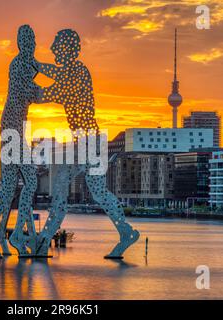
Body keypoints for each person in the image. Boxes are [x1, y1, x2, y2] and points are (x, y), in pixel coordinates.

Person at [35, 29, 140, 259]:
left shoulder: (77, 72)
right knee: (99, 193)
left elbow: (45, 93)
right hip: (90, 141)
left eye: (56, 45)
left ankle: (44, 240)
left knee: (63, 183)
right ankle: (126, 232)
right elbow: (55, 74)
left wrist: (31, 69)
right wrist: (36, 66)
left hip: (88, 142)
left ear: (67, 49)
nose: (52, 49)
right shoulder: (73, 72)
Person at [0, 25, 42, 259]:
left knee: (13, 187)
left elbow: (43, 76)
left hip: (15, 131)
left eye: (33, 39)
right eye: (28, 39)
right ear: (20, 43)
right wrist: (59, 92)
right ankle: (9, 236)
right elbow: (30, 92)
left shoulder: (30, 64)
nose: (32, 43)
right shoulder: (18, 65)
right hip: (11, 131)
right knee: (23, 184)